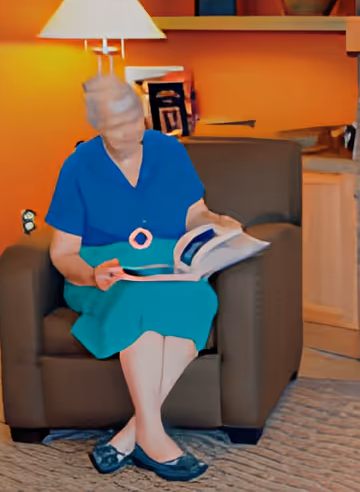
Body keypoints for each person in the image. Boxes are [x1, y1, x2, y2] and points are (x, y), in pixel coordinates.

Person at [45, 73, 240, 482]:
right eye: (117, 126)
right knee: (140, 306)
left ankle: (131, 437)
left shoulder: (168, 150)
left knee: (197, 299)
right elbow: (63, 253)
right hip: (106, 272)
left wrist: (215, 221)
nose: (131, 131)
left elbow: (193, 213)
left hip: (166, 266)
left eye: (135, 119)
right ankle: (155, 441)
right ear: (98, 125)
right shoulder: (78, 166)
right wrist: (90, 273)